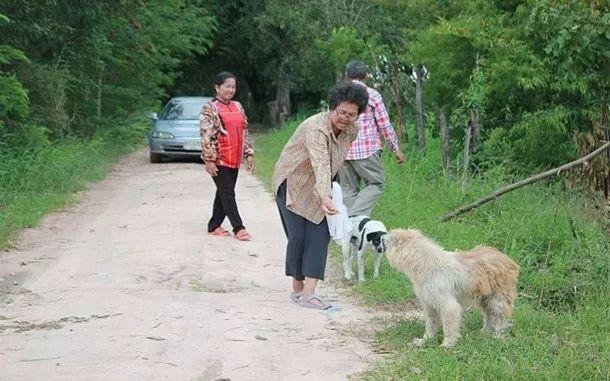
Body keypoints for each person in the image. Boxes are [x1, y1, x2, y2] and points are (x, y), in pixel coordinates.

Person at [272, 81, 369, 310]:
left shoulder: (352, 130)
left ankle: (309, 294)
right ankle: (297, 289)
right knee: (298, 237)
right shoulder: (316, 128)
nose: (345, 118)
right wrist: (325, 196)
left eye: (352, 114)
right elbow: (320, 162)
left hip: (321, 185)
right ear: (332, 107)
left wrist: (327, 194)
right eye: (341, 112)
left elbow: (334, 160)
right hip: (292, 182)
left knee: (319, 235)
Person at [339, 60, 405, 217]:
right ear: (366, 76)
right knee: (376, 183)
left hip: (342, 149)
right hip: (366, 150)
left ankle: (350, 231)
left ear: (347, 75)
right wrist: (395, 148)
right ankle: (354, 217)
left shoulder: (340, 94)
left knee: (348, 189)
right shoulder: (373, 95)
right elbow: (384, 124)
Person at [200, 71, 254, 241]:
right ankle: (239, 227)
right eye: (227, 86)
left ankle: (214, 225)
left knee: (223, 192)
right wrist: (209, 159)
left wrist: (248, 154)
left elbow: (245, 131)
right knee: (227, 192)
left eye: (233, 86)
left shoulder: (238, 106)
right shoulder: (211, 108)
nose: (231, 90)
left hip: (235, 159)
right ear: (217, 87)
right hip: (220, 159)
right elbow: (206, 134)